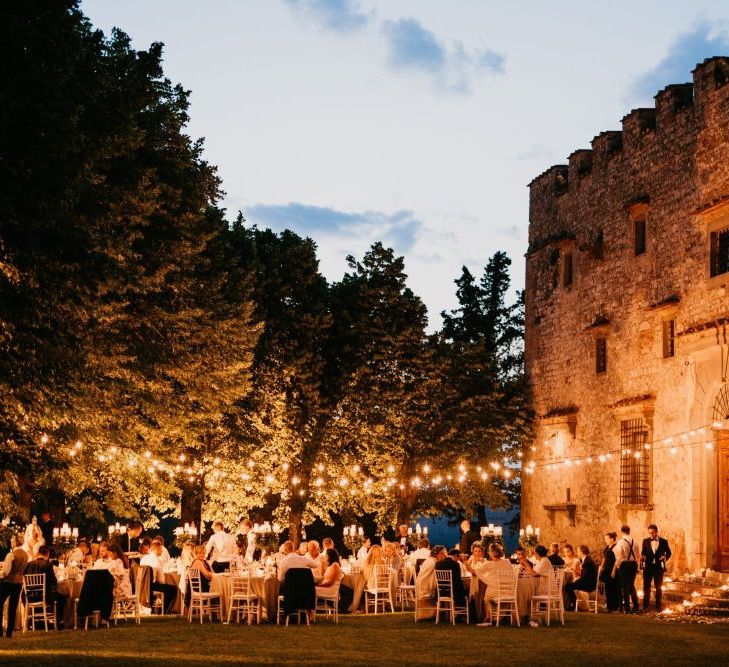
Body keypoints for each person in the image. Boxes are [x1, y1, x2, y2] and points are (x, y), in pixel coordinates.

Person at [470, 543, 513, 626]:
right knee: (490, 594)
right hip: (509, 592)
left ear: (491, 553)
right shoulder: (507, 562)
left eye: (489, 551)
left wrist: (465, 562)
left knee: (486, 599)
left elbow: (475, 572)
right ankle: (500, 617)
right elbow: (513, 575)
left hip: (496, 591)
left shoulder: (489, 564)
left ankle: (488, 617)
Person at [24, 544, 66, 629]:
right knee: (62, 598)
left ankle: (31, 623)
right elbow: (53, 582)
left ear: (38, 553)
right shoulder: (48, 565)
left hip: (29, 597)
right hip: (45, 597)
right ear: (47, 554)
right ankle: (58, 623)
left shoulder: (28, 564)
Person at [0, 534, 29, 637]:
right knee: (13, 607)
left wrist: (0, 576)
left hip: (8, 582)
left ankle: (0, 631)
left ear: (15, 542)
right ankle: (9, 632)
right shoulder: (26, 555)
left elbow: (6, 572)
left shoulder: (11, 555)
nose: (11, 542)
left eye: (12, 540)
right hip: (19, 583)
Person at [140, 538, 177, 613]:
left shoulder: (143, 558)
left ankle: (156, 609)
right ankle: (162, 610)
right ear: (156, 550)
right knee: (173, 589)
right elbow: (161, 579)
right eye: (161, 550)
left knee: (165, 587)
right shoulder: (156, 560)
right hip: (151, 585)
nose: (162, 551)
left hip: (142, 585)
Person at [641, 524, 671, 611]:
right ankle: (645, 605)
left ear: (657, 532)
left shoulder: (664, 541)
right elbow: (643, 552)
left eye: (653, 533)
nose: (651, 535)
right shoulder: (645, 541)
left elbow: (669, 552)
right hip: (648, 568)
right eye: (649, 533)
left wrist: (665, 557)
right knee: (646, 587)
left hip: (658, 567)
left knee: (658, 587)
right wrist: (643, 557)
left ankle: (658, 606)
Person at [613, 524, 640, 613]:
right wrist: (638, 566)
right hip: (633, 564)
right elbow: (638, 555)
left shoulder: (620, 542)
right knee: (631, 585)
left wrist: (617, 566)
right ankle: (636, 606)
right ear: (629, 531)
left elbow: (619, 555)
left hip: (625, 564)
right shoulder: (634, 541)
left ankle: (627, 608)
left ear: (621, 532)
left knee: (625, 586)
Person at [434, 548, 468, 617]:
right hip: (452, 591)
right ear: (455, 555)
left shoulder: (438, 563)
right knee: (466, 592)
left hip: (440, 591)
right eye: (458, 558)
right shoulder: (455, 565)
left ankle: (449, 614)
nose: (458, 560)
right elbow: (458, 580)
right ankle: (461, 614)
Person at [564, 545, 597, 611]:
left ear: (582, 552)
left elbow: (584, 577)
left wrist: (575, 582)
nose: (577, 553)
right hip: (588, 582)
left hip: (589, 585)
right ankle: (572, 605)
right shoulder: (587, 560)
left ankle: (572, 605)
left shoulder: (587, 562)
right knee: (570, 585)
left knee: (568, 586)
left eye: (578, 552)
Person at [598, 532, 621, 612]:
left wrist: (614, 571)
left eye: (607, 539)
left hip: (613, 569)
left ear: (612, 539)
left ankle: (614, 606)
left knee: (614, 588)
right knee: (608, 588)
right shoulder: (607, 547)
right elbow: (604, 557)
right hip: (607, 569)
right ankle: (609, 606)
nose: (605, 541)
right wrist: (602, 566)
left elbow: (617, 560)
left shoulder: (616, 547)